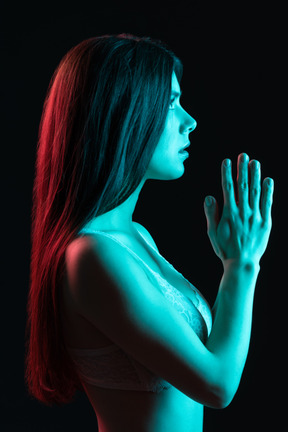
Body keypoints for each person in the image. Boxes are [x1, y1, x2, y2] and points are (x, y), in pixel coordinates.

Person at [25, 34, 274, 432]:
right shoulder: (90, 257)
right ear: (123, 115)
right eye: (172, 104)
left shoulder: (135, 238)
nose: (189, 122)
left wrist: (236, 262)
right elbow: (217, 385)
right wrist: (241, 264)